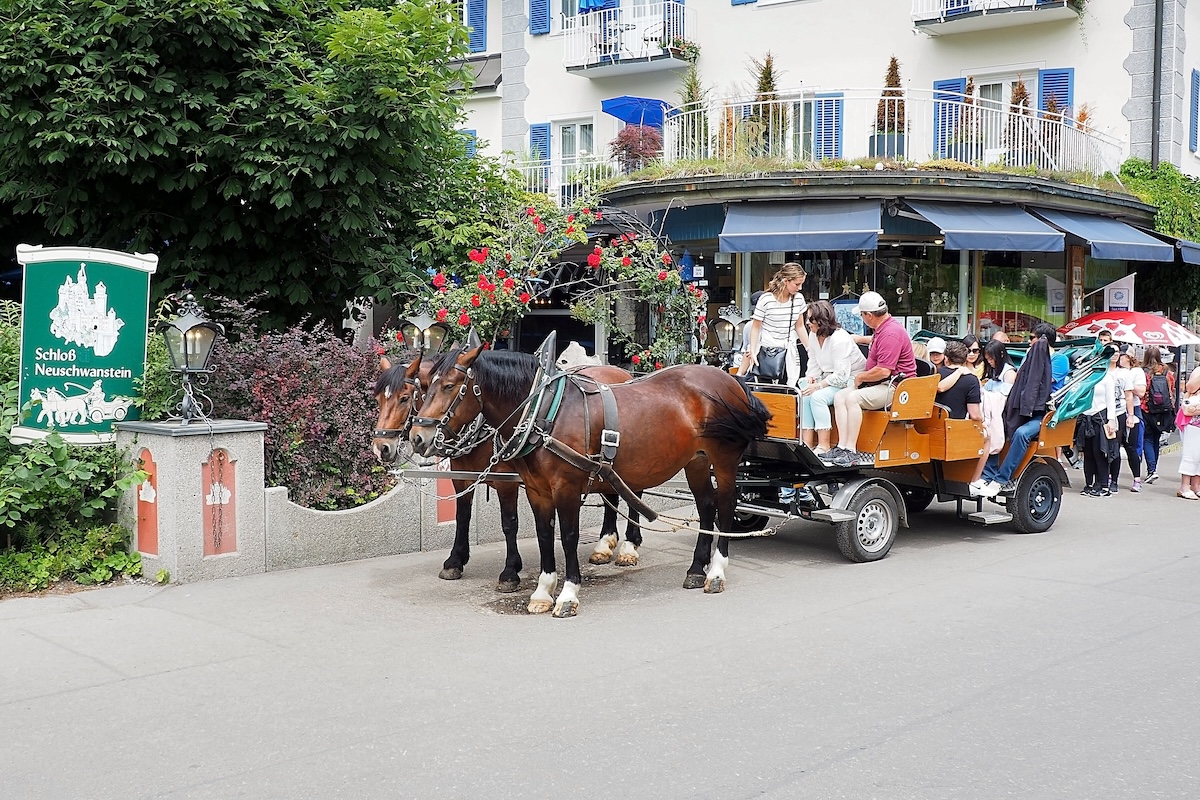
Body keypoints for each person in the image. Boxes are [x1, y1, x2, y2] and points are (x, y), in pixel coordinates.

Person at [823, 291, 916, 468]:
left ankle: (851, 450)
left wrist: (860, 377)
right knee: (839, 397)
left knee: (852, 398)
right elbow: (876, 341)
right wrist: (858, 339)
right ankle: (842, 446)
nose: (862, 317)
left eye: (862, 314)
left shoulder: (890, 333)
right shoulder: (884, 329)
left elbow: (883, 371)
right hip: (882, 383)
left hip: (895, 387)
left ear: (869, 315)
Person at [973, 322, 1057, 497]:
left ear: (1043, 339)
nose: (1029, 341)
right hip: (1026, 408)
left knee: (1021, 434)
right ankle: (987, 473)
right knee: (997, 425)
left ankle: (1001, 480)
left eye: (1032, 338)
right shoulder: (1031, 356)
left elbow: (1040, 386)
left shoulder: (1058, 360)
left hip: (1045, 413)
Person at [798, 300, 866, 455]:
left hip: (852, 379)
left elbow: (842, 375)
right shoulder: (814, 335)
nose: (807, 323)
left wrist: (818, 385)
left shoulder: (839, 338)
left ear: (821, 321)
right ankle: (807, 443)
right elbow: (813, 361)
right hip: (829, 377)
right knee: (804, 394)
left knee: (818, 397)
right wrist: (810, 379)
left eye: (811, 319)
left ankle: (824, 445)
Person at [744, 264, 808, 386]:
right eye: (797, 284)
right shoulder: (766, 299)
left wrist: (810, 349)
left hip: (789, 349)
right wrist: (752, 350)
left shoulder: (799, 299)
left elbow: (799, 326)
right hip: (766, 350)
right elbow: (756, 327)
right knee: (766, 387)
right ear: (785, 281)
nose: (800, 288)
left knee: (788, 387)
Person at [1074, 351, 1121, 497]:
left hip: (1100, 419)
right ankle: (1089, 484)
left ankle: (1103, 485)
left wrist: (1111, 420)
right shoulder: (1082, 377)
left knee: (1100, 453)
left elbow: (1111, 401)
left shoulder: (1106, 377)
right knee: (1087, 454)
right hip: (1085, 418)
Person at [1140, 345, 1176, 484]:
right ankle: (1153, 468)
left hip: (1147, 410)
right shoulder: (1168, 371)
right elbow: (1171, 389)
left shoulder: (1144, 372)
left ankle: (1151, 470)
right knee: (1157, 439)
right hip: (1164, 410)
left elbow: (1143, 392)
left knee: (1147, 439)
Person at [1112, 346, 1145, 492]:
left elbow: (1141, 392)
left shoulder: (1136, 372)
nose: (1120, 358)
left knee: (1132, 446)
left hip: (1133, 409)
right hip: (1117, 409)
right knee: (1115, 445)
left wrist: (1129, 386)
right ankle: (1113, 479)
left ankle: (1137, 479)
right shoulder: (1114, 371)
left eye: (1122, 355)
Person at [934, 340, 982, 421]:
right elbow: (974, 415)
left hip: (931, 425)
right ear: (965, 359)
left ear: (946, 358)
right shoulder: (972, 380)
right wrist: (982, 419)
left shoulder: (935, 374)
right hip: (956, 428)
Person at [1177, 366, 1200, 500]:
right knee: (1192, 454)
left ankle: (1196, 485)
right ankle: (1184, 486)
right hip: (1194, 419)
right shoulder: (1198, 370)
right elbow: (1190, 388)